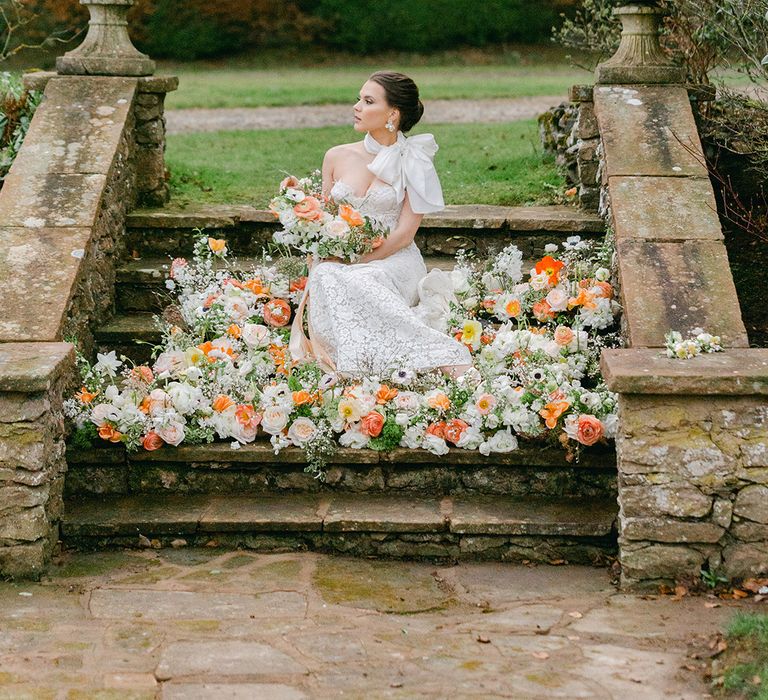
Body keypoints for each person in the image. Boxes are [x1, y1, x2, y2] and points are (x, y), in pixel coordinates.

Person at [289, 71, 472, 380]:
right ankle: (355, 363)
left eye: (368, 101)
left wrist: (359, 260)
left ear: (393, 113)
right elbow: (325, 220)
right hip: (343, 257)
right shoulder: (336, 156)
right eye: (359, 98)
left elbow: (404, 234)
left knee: (365, 278)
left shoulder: (414, 159)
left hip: (394, 258)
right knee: (325, 274)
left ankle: (440, 355)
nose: (356, 107)